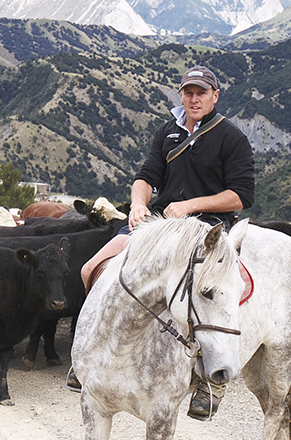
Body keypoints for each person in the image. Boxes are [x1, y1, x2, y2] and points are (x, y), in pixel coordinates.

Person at [67, 66, 255, 421]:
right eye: (188, 92)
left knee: (220, 297)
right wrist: (138, 204)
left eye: (201, 92)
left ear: (215, 95)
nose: (194, 98)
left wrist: (191, 205)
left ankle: (208, 381)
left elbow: (240, 197)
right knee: (91, 268)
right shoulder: (167, 131)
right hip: (158, 224)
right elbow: (146, 177)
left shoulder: (231, 138)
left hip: (206, 230)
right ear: (181, 95)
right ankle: (86, 357)